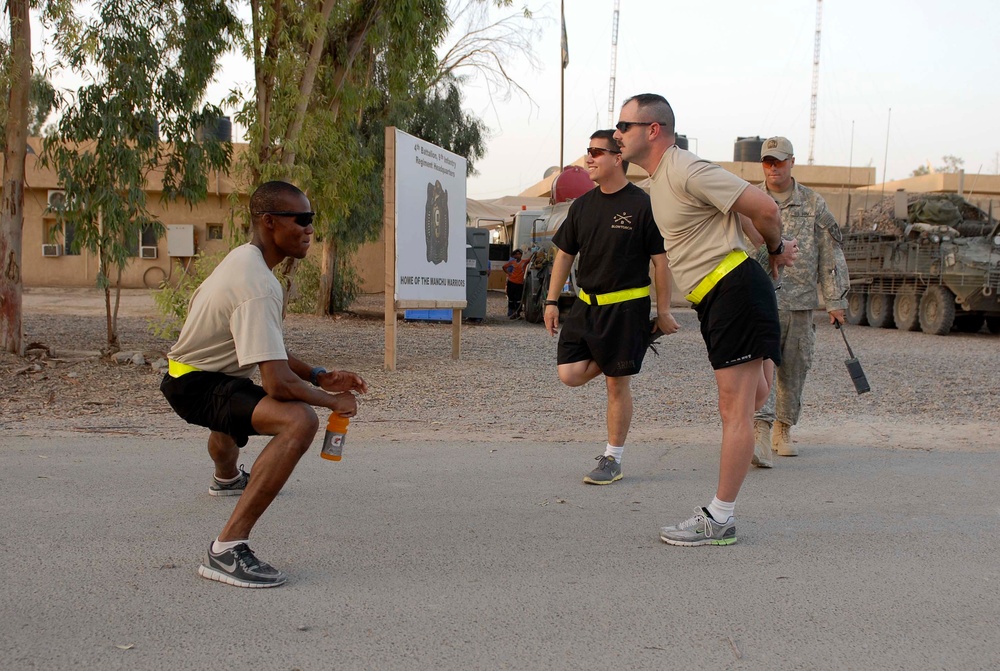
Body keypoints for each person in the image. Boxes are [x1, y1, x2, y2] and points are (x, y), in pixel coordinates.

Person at [160, 180, 368, 588]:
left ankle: (226, 480)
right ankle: (227, 549)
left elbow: (262, 349)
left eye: (312, 220)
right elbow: (277, 383)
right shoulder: (258, 284)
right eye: (302, 219)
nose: (310, 229)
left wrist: (318, 374)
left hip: (193, 374)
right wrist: (331, 401)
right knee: (298, 420)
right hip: (197, 385)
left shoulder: (245, 259)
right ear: (270, 222)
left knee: (235, 401)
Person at [613, 93, 799, 546]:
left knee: (732, 409)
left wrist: (774, 250)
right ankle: (766, 350)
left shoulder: (685, 168)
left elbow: (767, 208)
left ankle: (720, 518)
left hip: (732, 288)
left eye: (623, 126)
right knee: (751, 395)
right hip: (721, 296)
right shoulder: (661, 179)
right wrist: (766, 248)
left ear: (652, 130)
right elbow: (743, 213)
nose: (617, 134)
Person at [543, 130, 680, 485]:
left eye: (595, 152)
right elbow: (564, 254)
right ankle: (621, 356)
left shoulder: (642, 204)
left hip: (625, 310)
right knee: (569, 374)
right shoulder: (583, 205)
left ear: (618, 158)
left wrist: (662, 310)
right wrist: (552, 300)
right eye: (587, 151)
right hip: (586, 308)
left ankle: (612, 460)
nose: (588, 158)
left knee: (616, 386)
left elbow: (660, 262)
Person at [748, 137, 851, 467]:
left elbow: (830, 253)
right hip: (761, 300)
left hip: (801, 303)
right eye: (767, 162)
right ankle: (759, 432)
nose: (773, 168)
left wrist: (835, 299)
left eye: (779, 161)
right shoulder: (749, 199)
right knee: (758, 367)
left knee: (794, 368)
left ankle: (783, 429)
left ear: (792, 162)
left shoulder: (813, 203)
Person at [502, 249, 530, 318]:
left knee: (518, 299)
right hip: (511, 283)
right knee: (511, 299)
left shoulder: (523, 262)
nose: (518, 255)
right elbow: (504, 267)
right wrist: (509, 273)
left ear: (521, 255)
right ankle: (511, 313)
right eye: (516, 254)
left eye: (519, 254)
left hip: (519, 284)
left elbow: (529, 259)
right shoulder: (512, 262)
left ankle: (517, 313)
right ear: (514, 255)